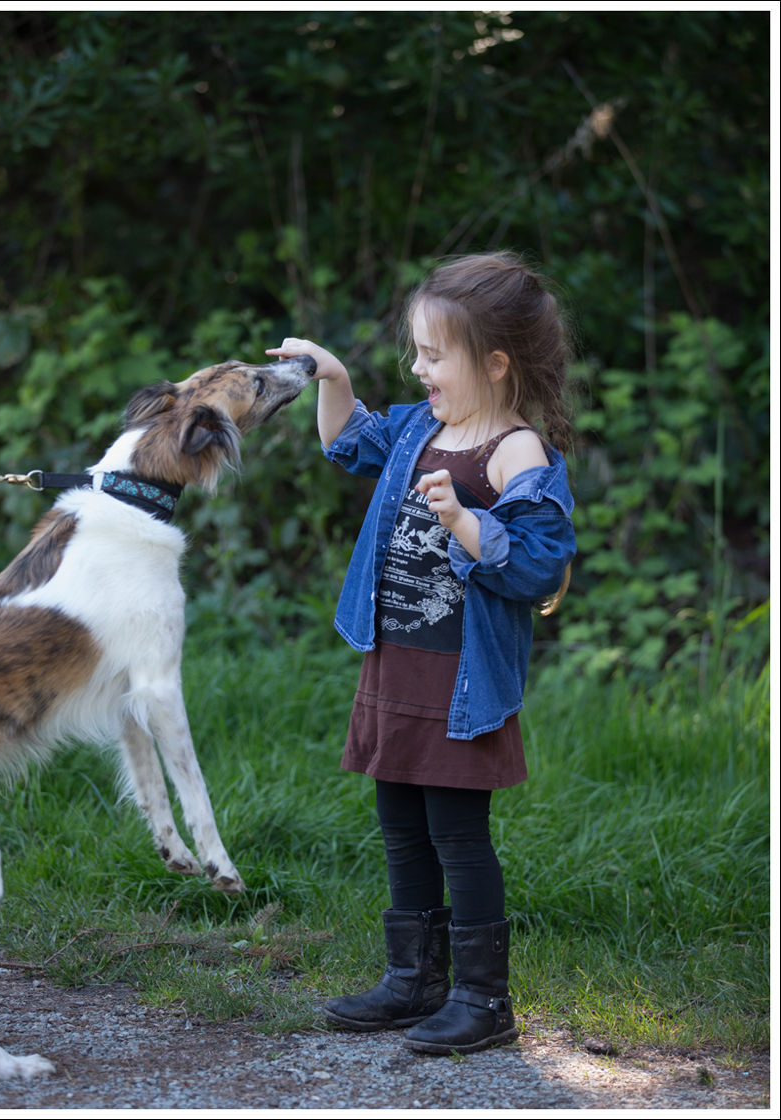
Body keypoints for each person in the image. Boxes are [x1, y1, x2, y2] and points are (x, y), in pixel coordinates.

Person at [266, 252, 576, 1055]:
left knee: (457, 832)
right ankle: (413, 980)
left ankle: (483, 998)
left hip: (460, 680)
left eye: (434, 355)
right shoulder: (417, 429)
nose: (418, 367)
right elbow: (349, 445)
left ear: (494, 363)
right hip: (397, 661)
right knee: (399, 819)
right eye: (416, 352)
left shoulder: (514, 452)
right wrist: (333, 379)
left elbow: (540, 560)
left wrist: (467, 524)